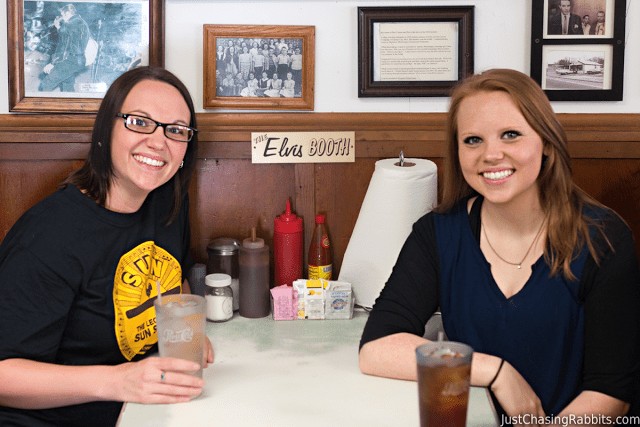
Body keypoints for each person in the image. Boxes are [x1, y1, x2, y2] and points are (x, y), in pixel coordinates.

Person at [359, 69, 640, 421]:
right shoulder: (437, 233)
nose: (491, 154)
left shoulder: (603, 237)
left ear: (547, 144)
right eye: (473, 140)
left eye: (511, 135)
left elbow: (611, 393)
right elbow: (376, 349)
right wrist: (496, 372)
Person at [0, 66, 214, 427]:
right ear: (105, 130)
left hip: (138, 412)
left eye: (175, 130)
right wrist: (119, 381)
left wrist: (187, 331)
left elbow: (173, 281)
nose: (159, 142)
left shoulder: (167, 203)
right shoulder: (48, 235)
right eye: (140, 122)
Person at [39, 3, 92, 92]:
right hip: (79, 59)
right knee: (67, 83)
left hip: (69, 60)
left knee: (46, 83)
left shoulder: (68, 24)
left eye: (63, 15)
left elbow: (63, 46)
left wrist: (52, 63)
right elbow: (71, 38)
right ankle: (71, 103)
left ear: (67, 13)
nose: (62, 18)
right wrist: (59, 27)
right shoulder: (82, 22)